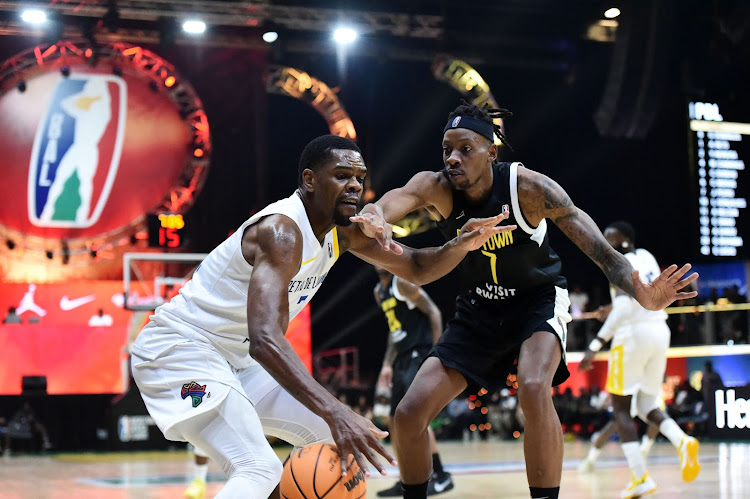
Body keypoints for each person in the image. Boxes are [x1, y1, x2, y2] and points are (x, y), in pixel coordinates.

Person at [131, 135, 515, 499]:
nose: (354, 186)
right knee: (258, 467)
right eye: (342, 176)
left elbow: (415, 266)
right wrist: (336, 409)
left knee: (336, 444)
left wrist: (460, 245)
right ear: (310, 180)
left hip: (235, 360)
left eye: (360, 179)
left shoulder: (341, 233)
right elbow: (265, 339)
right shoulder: (281, 231)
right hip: (180, 351)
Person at [357, 102, 699, 499]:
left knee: (534, 387)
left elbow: (604, 254)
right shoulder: (436, 187)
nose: (452, 158)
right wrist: (376, 214)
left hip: (537, 302)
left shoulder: (530, 189)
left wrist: (642, 294)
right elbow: (393, 200)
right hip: (479, 310)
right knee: (408, 413)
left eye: (465, 149)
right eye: (446, 148)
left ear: (492, 152)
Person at [579, 221, 701, 498]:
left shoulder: (618, 263)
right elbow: (643, 295)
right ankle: (682, 441)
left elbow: (624, 307)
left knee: (620, 409)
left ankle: (639, 477)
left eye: (610, 237)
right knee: (646, 404)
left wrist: (595, 344)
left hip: (632, 336)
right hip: (660, 330)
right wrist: (611, 306)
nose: (605, 241)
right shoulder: (646, 256)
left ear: (624, 240)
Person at [372, 267, 453, 496]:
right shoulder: (379, 292)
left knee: (413, 417)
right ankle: (408, 478)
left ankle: (440, 475)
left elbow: (434, 312)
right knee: (393, 420)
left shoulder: (402, 283)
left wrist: (438, 354)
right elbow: (393, 329)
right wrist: (387, 363)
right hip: (401, 358)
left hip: (419, 354)